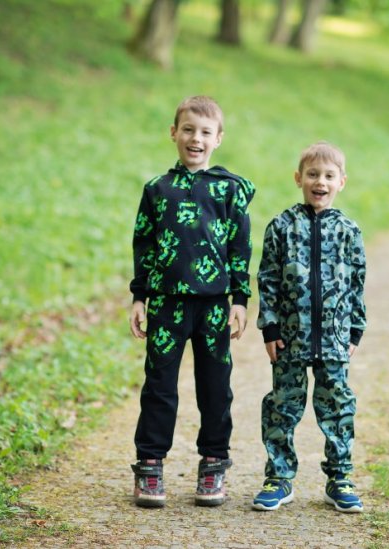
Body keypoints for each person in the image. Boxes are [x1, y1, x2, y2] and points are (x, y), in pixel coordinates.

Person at [128, 95, 255, 508]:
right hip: (166, 304)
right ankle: (150, 466)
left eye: (204, 132)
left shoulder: (229, 190)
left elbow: (240, 246)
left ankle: (214, 462)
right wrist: (139, 295)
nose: (195, 138)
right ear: (173, 133)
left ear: (218, 138)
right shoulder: (157, 189)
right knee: (160, 385)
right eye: (188, 130)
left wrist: (239, 298)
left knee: (215, 387)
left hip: (215, 305)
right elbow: (143, 242)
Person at [251, 141, 366, 513]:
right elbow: (266, 279)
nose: (321, 182)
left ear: (342, 182)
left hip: (334, 338)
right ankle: (279, 477)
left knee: (337, 406)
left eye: (329, 176)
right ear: (299, 178)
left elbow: (357, 282)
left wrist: (354, 330)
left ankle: (340, 477)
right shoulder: (282, 227)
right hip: (289, 338)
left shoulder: (349, 230)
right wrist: (269, 327)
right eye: (313, 174)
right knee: (283, 406)